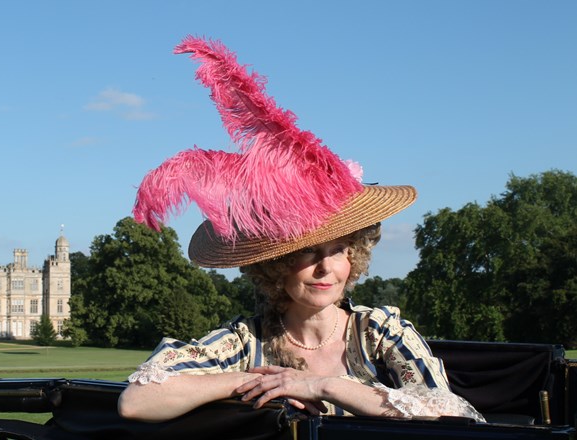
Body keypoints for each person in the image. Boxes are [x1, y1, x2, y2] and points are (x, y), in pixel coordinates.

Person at [117, 36, 484, 423]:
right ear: (274, 266)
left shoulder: (378, 332)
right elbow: (137, 401)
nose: (327, 267)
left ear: (354, 256)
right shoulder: (245, 342)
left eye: (339, 249)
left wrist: (322, 385)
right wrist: (240, 381)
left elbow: (449, 414)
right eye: (308, 253)